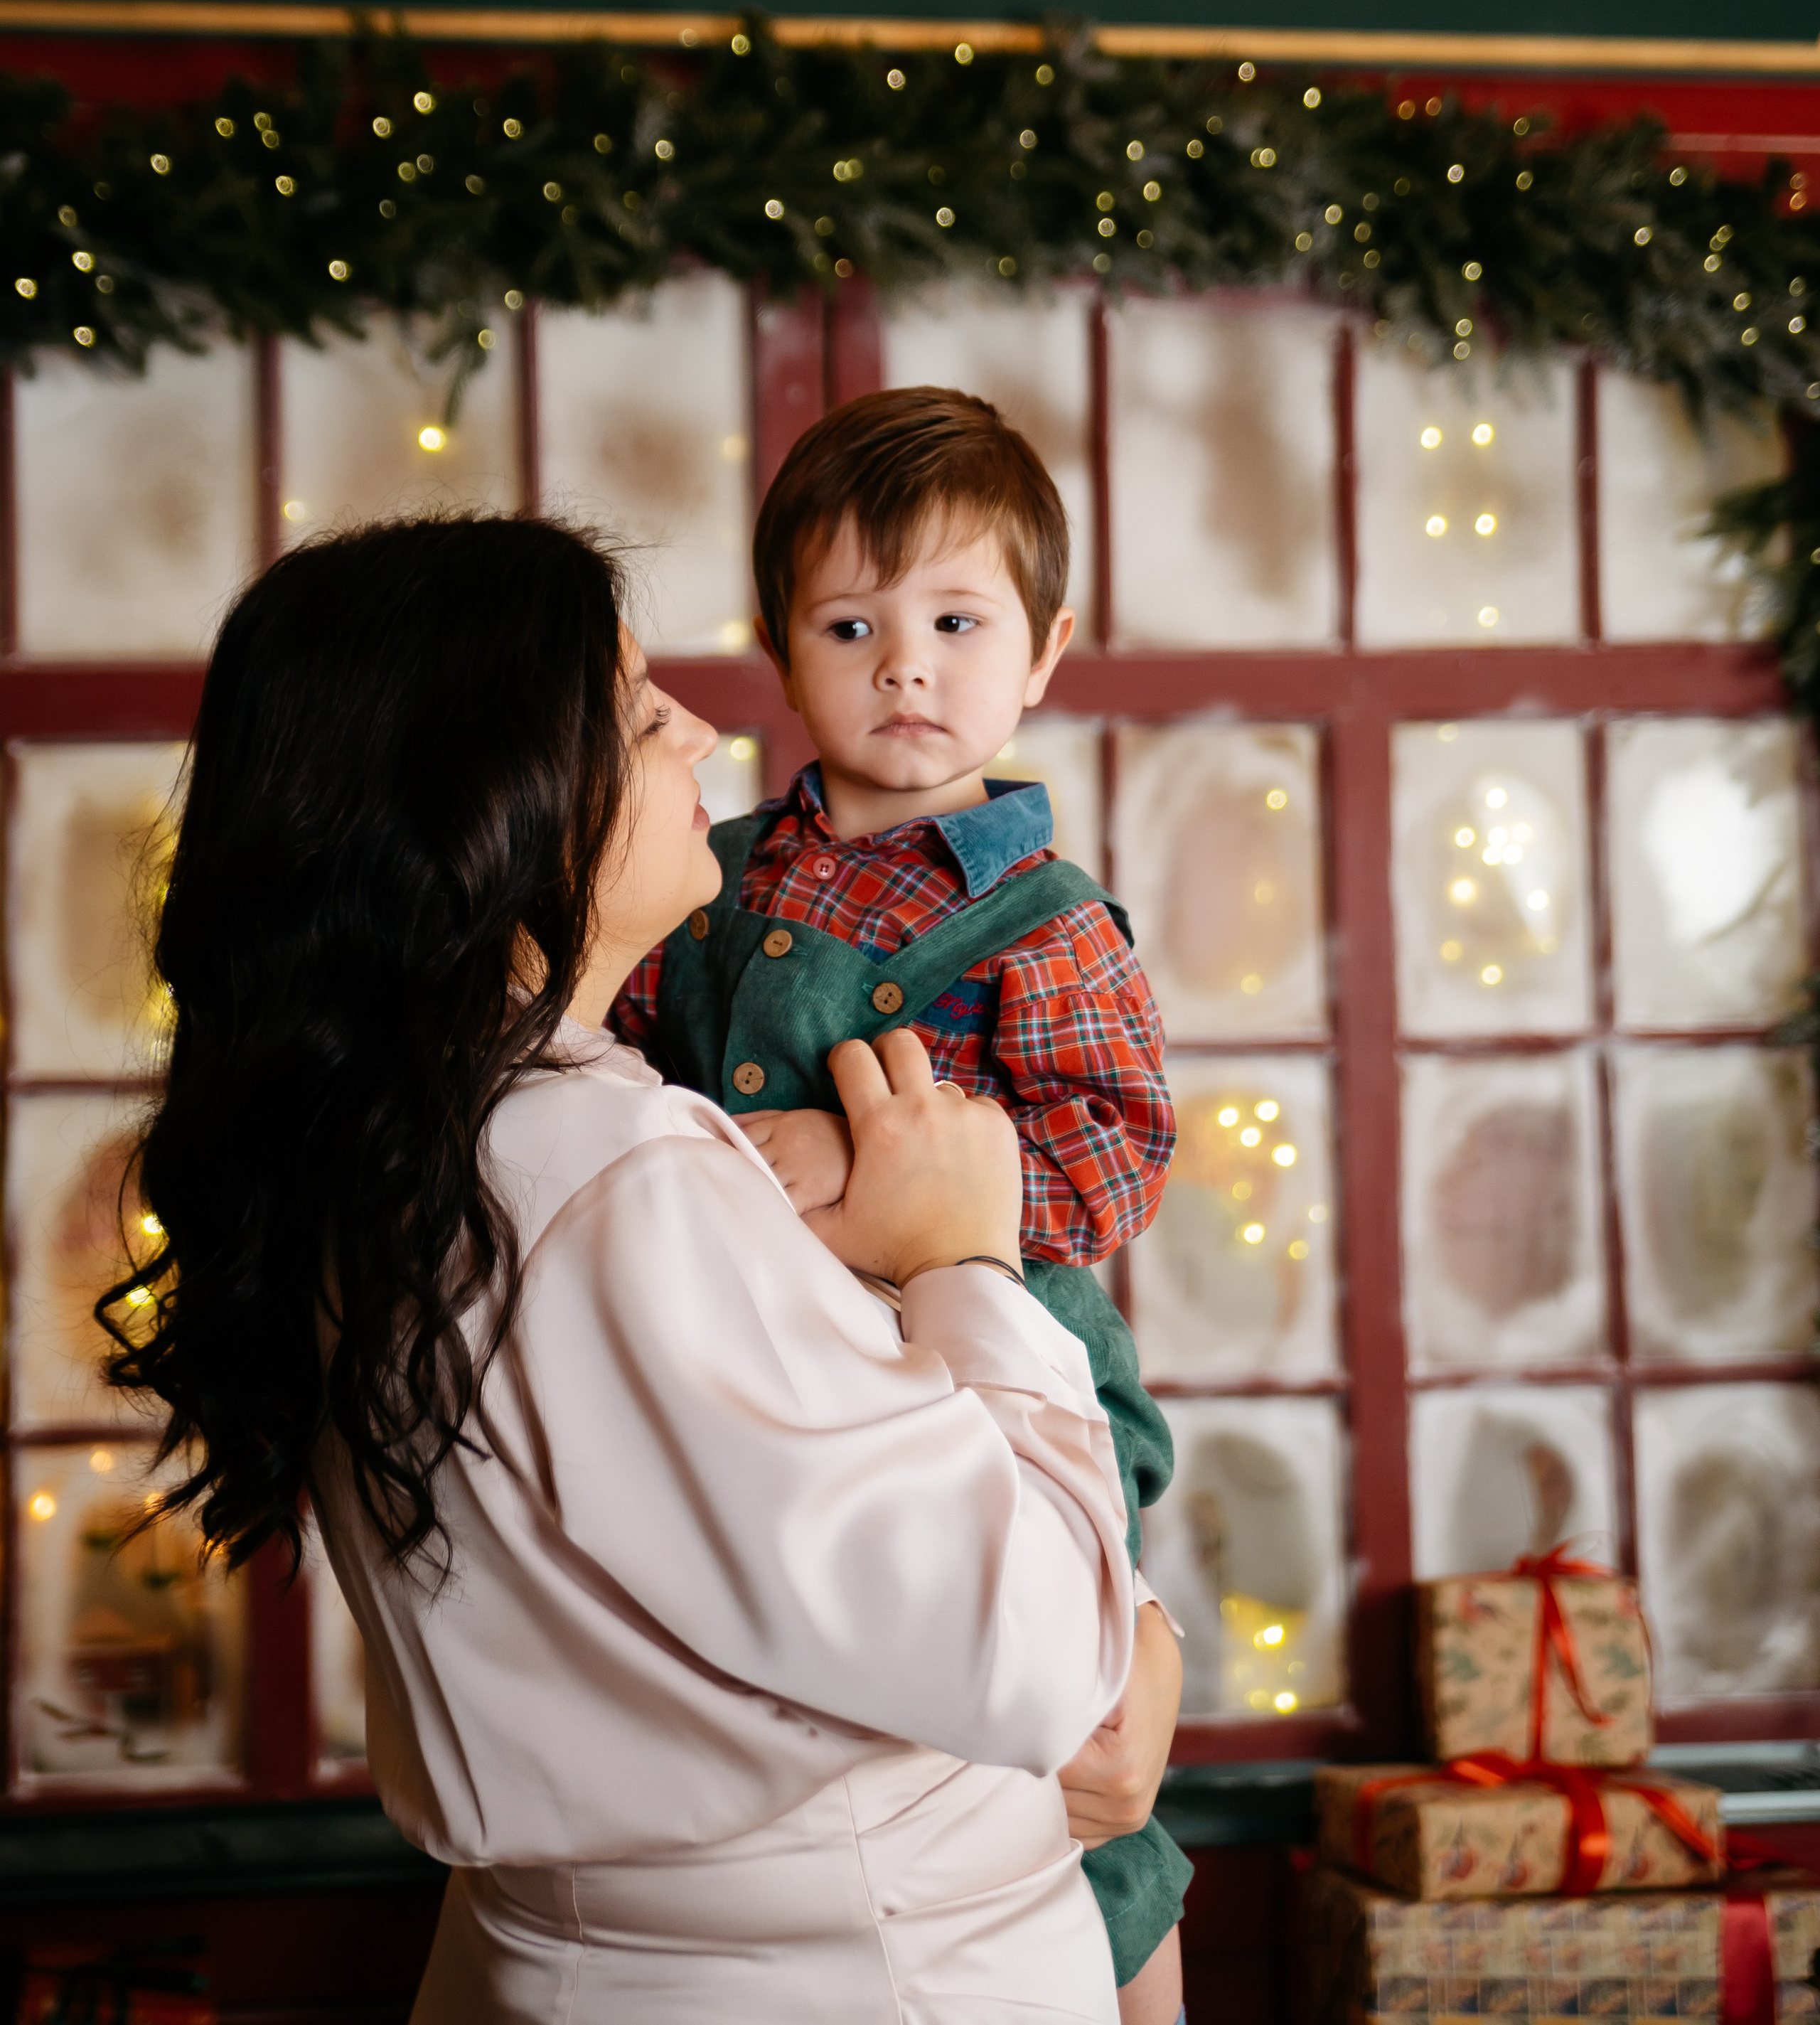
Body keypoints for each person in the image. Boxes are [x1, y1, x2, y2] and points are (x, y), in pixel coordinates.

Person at [99, 515, 1147, 2025]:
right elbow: (1034, 1651)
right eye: (644, 710)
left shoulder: (382, 1144)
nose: (707, 729)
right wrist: (964, 1255)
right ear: (501, 795)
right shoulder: (602, 1168)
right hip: (852, 1975)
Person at [611, 387, 1192, 2023]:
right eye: (850, 624)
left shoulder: (1038, 920)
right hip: (773, 1359)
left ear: (1045, 650)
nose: (904, 667)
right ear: (781, 651)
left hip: (1005, 1350)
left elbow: (1115, 1155)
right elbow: (627, 1050)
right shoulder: (708, 873)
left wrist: (873, 1165)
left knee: (1055, 1713)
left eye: (954, 620)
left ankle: (1127, 1954)